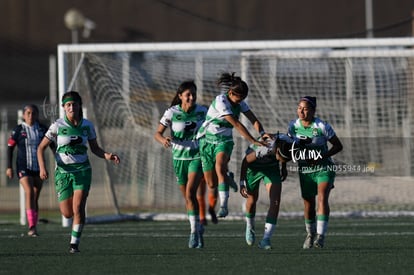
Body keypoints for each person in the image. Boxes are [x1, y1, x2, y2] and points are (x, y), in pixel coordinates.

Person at [37, 91, 120, 253]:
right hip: (62, 172)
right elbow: (40, 148)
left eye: (74, 104)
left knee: (78, 207)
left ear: (79, 105)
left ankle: (74, 244)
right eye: (68, 104)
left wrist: (108, 155)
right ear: (63, 107)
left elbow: (95, 149)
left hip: (82, 171)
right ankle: (75, 233)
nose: (71, 107)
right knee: (67, 213)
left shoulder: (87, 125)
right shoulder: (57, 126)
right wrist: (42, 167)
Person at [197, 72, 268, 218]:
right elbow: (236, 123)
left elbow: (253, 119)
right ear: (230, 93)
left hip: (224, 142)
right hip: (206, 141)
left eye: (243, 98)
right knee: (211, 184)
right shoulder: (221, 101)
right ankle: (227, 178)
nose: (240, 101)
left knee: (219, 167)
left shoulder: (240, 103)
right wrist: (253, 141)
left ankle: (223, 206)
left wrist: (262, 133)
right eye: (238, 97)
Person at [154, 80, 210, 248]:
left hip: (196, 157)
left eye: (193, 94)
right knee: (187, 197)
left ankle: (193, 232)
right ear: (180, 96)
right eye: (188, 95)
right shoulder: (172, 112)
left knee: (190, 192)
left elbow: (212, 128)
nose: (191, 97)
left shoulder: (203, 111)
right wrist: (163, 140)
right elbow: (157, 133)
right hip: (178, 159)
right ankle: (198, 227)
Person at [287, 96, 343, 249]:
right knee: (308, 204)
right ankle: (310, 234)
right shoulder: (293, 126)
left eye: (305, 108)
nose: (301, 111)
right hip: (305, 169)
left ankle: (320, 236)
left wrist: (321, 157)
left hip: (324, 167)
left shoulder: (322, 126)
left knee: (322, 198)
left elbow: (338, 146)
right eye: (299, 108)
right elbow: (289, 147)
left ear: (313, 110)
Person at [239, 133, 291, 250]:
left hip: (272, 168)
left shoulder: (287, 142)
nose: (282, 160)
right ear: (276, 151)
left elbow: (284, 151)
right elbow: (245, 161)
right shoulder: (264, 148)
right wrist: (242, 183)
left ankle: (266, 239)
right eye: (281, 159)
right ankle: (250, 225)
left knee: (275, 202)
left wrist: (283, 167)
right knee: (252, 200)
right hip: (253, 168)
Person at [6, 104, 48, 237]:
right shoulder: (18, 130)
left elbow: (52, 145)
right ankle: (31, 226)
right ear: (23, 115)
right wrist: (9, 167)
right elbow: (10, 148)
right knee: (29, 192)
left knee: (35, 196)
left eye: (33, 113)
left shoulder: (42, 129)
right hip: (23, 167)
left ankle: (34, 225)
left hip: (38, 168)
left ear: (37, 115)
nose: (31, 116)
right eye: (28, 113)